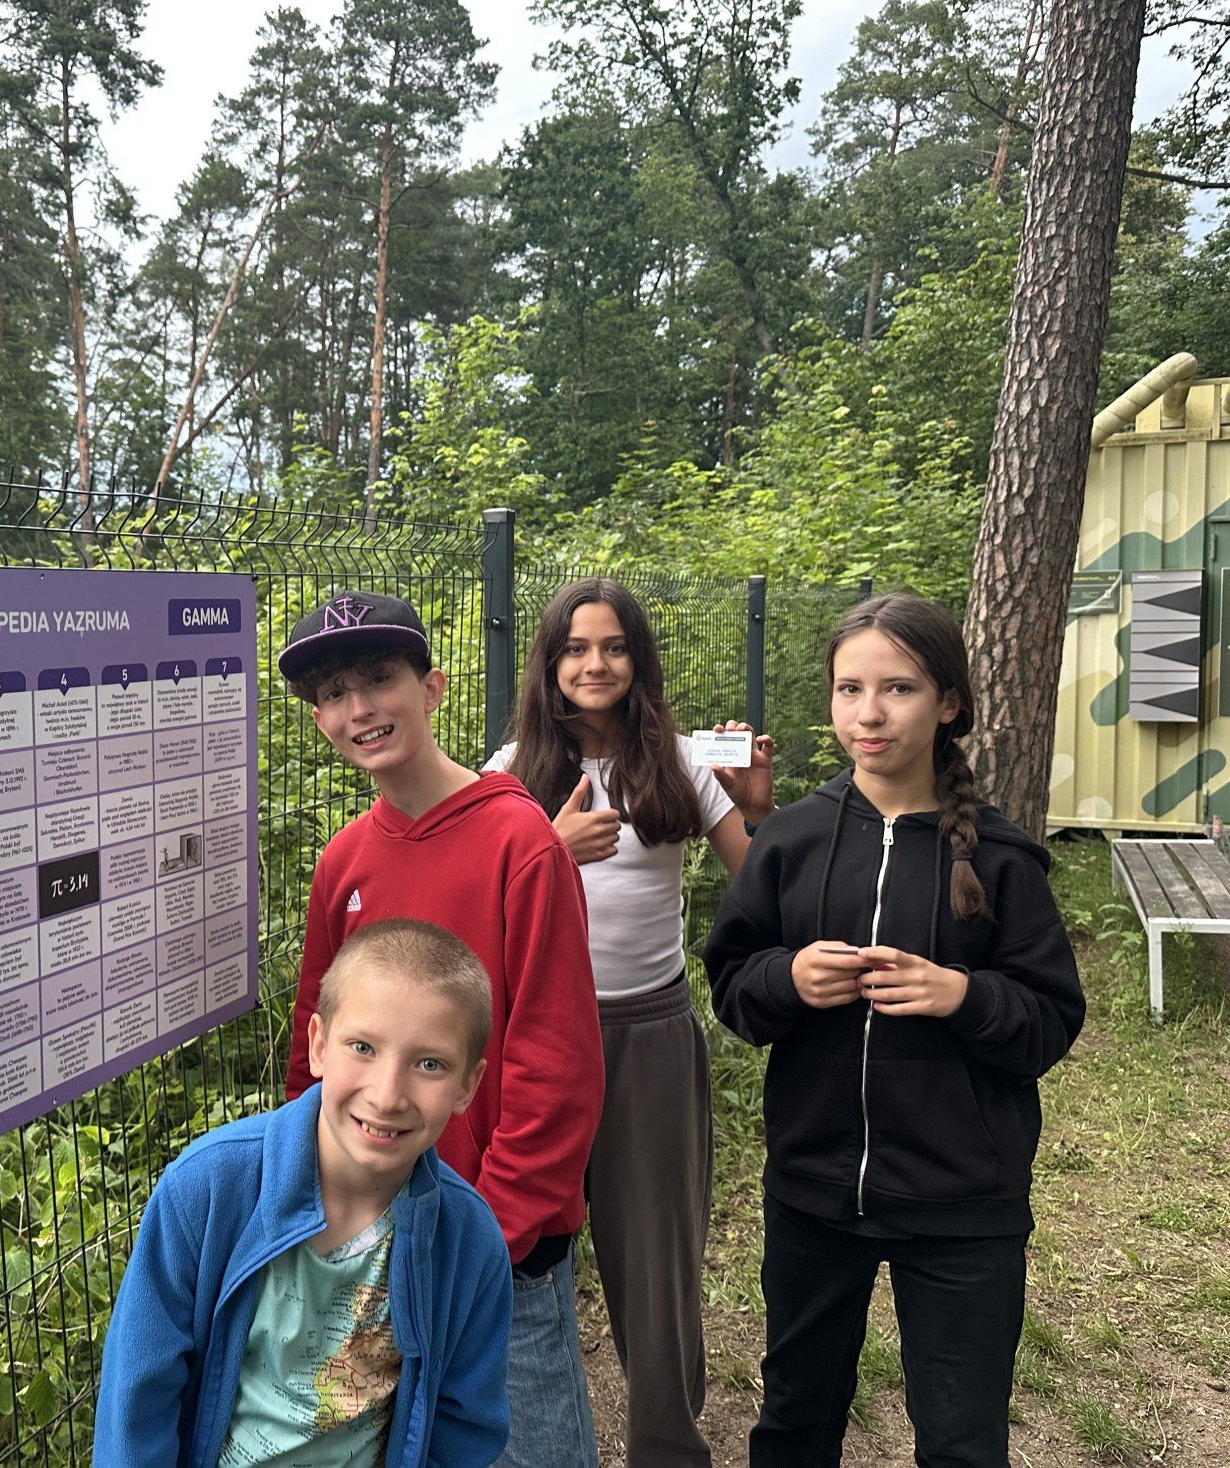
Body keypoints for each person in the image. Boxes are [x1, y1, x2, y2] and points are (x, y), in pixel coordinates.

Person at [703, 593, 1085, 1467]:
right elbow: (733, 986)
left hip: (963, 1204)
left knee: (961, 1442)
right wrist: (789, 978)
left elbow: (1050, 1021)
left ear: (948, 703)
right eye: (850, 690)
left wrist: (963, 996)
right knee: (794, 1423)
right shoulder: (790, 841)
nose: (868, 714)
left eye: (898, 688)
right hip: (813, 1192)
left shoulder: (1001, 857)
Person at [281, 589, 605, 1467]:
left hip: (502, 1245)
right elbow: (318, 1045)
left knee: (529, 1447)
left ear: (432, 688)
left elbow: (557, 1065)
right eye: (334, 693)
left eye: (379, 679)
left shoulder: (520, 843)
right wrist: (315, 1197)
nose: (359, 708)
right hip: (377, 1226)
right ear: (319, 720)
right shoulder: (344, 862)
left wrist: (491, 1235)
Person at [483, 576, 773, 1467]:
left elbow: (761, 887)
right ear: (549, 663)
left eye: (613, 647)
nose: (595, 664)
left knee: (657, 1262)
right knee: (522, 1253)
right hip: (535, 1040)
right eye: (575, 648)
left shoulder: (682, 762)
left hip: (648, 1036)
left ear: (639, 661)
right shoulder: (508, 774)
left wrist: (756, 810)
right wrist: (546, 849)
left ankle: (667, 1446)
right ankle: (524, 1440)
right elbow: (475, 909)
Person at [92, 919, 513, 1467]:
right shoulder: (205, 1191)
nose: (387, 1095)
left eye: (429, 1064)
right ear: (317, 1045)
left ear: (467, 1086)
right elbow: (137, 1402)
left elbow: (464, 1430)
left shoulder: (471, 1244)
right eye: (363, 1047)